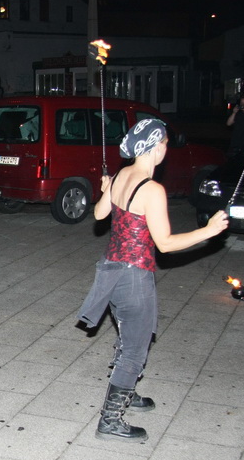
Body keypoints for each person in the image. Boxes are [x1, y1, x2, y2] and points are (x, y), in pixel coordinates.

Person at [77, 119, 229, 441]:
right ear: (156, 146)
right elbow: (166, 244)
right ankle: (110, 421)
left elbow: (100, 214)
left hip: (110, 270)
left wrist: (106, 190)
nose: (165, 150)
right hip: (133, 276)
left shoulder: (121, 175)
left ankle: (126, 392)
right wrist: (209, 231)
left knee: (128, 335)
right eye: (165, 144)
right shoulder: (152, 190)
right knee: (135, 349)